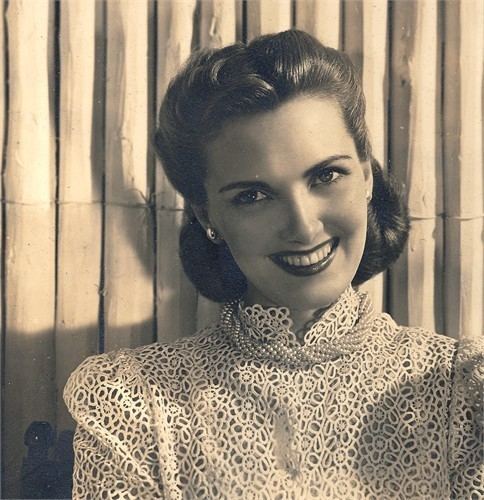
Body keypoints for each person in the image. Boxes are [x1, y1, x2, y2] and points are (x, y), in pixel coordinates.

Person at [64, 30, 483, 499]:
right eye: (254, 196)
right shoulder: (134, 402)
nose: (303, 228)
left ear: (366, 176)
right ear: (208, 215)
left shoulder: (462, 393)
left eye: (327, 175)